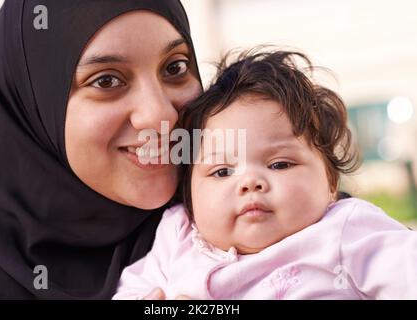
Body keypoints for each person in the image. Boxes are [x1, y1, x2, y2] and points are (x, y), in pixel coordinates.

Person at [113, 49, 417, 300]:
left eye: (280, 165)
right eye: (221, 171)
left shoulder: (345, 229)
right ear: (189, 191)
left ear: (330, 184)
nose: (250, 182)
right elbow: (134, 290)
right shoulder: (177, 233)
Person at [0, 0, 202, 299]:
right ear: (33, 105)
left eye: (175, 67)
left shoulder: (250, 223)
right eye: (106, 80)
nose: (161, 115)